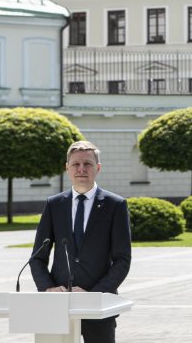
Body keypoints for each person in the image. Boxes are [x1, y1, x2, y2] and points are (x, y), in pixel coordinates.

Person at [31, 140, 132, 343]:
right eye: (76, 164)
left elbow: (122, 259)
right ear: (67, 168)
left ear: (98, 168)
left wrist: (94, 294)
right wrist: (48, 288)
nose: (81, 169)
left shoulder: (116, 205)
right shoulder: (54, 205)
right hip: (58, 305)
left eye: (87, 164)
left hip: (99, 305)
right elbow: (37, 258)